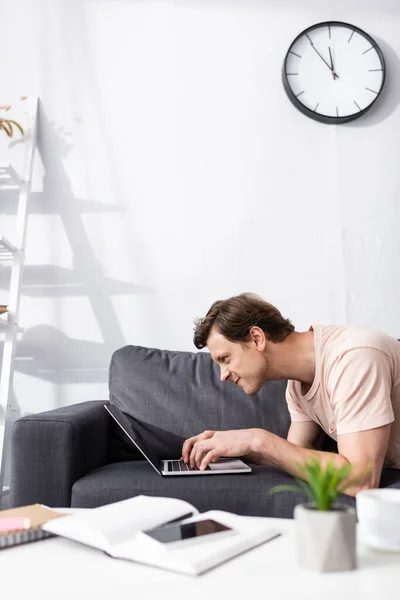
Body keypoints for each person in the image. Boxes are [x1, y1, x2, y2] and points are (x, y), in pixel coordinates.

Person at [181, 293, 400, 496]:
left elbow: (360, 481)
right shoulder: (297, 387)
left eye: (225, 359)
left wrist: (257, 439)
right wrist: (232, 446)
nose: (223, 376)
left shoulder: (353, 358)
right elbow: (295, 458)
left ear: (257, 338)